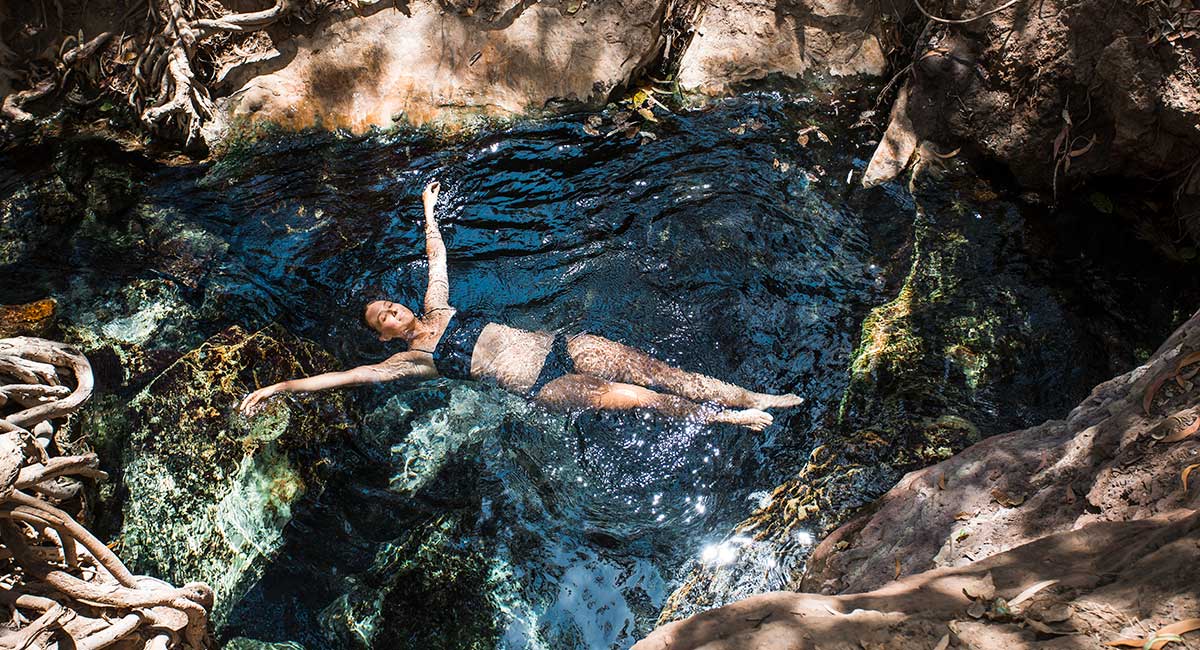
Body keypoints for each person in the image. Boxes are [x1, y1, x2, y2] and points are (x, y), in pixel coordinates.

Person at [240, 181, 804, 430]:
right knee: (640, 400)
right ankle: (728, 417)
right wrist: (277, 388)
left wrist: (428, 212)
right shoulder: (408, 360)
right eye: (381, 319)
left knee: (662, 372)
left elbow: (437, 257)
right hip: (543, 388)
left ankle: (755, 396)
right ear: (385, 336)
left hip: (564, 347)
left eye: (388, 303)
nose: (390, 312)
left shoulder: (437, 305)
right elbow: (345, 377)